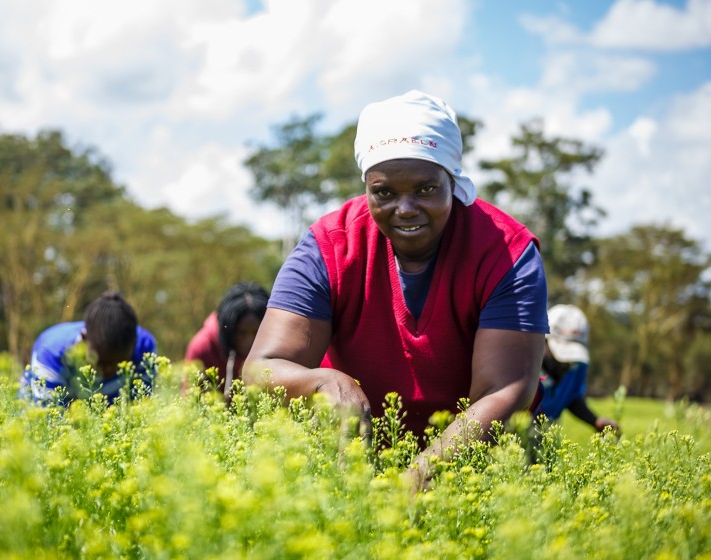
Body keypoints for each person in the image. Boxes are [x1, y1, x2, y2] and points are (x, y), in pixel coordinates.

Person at [243, 90, 549, 485]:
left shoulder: (507, 252)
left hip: (479, 467)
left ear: (451, 179)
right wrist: (322, 381)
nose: (405, 208)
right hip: (356, 461)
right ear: (366, 186)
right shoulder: (329, 246)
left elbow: (504, 391)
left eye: (425, 189)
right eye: (384, 192)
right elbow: (261, 368)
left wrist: (420, 477)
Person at [18, 290, 157, 405]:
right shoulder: (51, 353)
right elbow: (49, 423)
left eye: (121, 364)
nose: (111, 371)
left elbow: (139, 410)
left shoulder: (145, 347)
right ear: (85, 339)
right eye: (102, 363)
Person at [538, 304, 620, 433]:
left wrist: (594, 421)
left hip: (546, 436)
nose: (568, 362)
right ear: (544, 341)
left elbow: (572, 397)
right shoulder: (526, 368)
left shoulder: (577, 366)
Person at [185, 282, 269, 397]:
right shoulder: (202, 347)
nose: (249, 341)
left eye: (256, 333)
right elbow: (189, 401)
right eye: (242, 333)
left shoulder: (273, 347)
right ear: (229, 328)